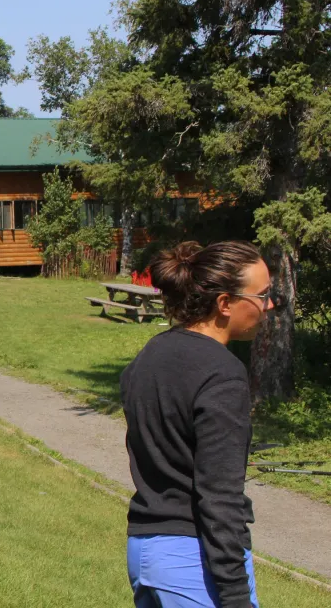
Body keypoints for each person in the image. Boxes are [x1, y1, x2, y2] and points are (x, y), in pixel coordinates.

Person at [121, 241, 268, 608]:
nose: (269, 305)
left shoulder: (151, 354)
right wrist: (235, 596)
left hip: (145, 550)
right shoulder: (222, 375)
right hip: (193, 559)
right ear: (224, 303)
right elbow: (219, 496)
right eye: (262, 295)